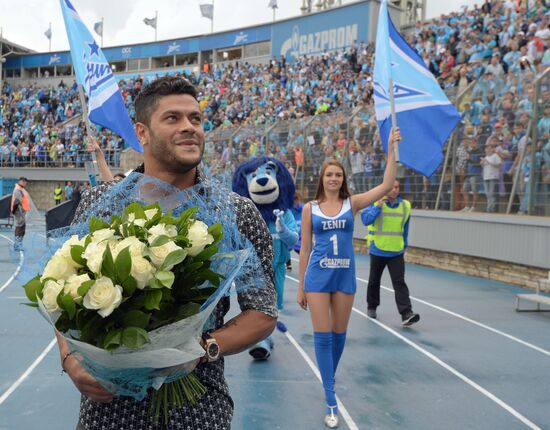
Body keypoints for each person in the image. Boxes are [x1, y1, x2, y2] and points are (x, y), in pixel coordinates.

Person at [56, 76, 277, 430]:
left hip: (197, 409)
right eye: (173, 118)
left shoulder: (234, 213)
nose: (189, 127)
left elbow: (263, 312)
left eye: (196, 119)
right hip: (108, 410)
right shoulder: (102, 203)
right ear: (142, 133)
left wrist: (202, 349)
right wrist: (69, 359)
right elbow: (64, 292)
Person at [297, 128, 400, 428]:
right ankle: (331, 398)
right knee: (323, 335)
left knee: (339, 337)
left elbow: (386, 184)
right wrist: (301, 285)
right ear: (322, 178)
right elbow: (304, 249)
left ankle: (328, 377)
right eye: (329, 175)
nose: (333, 179)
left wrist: (392, 150)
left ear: (343, 179)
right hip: (317, 277)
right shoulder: (310, 208)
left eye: (338, 175)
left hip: (344, 276)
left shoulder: (351, 204)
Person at [361, 180, 420, 326]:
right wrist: (379, 206)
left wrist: (404, 245)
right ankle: (372, 306)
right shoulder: (374, 202)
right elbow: (365, 220)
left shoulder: (405, 206)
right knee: (374, 280)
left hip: (396, 251)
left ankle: (406, 313)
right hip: (378, 249)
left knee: (399, 282)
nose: (394, 190)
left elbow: (405, 228)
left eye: (397, 187)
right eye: (391, 187)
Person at [10, 177, 29, 252]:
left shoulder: (20, 189)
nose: (25, 184)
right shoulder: (18, 190)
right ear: (21, 181)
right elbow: (16, 202)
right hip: (19, 212)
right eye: (24, 182)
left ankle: (19, 244)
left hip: (21, 212)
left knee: (22, 228)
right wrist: (14, 212)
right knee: (20, 228)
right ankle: (17, 245)